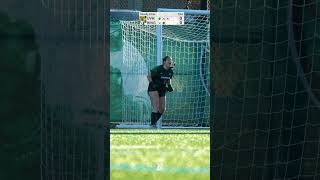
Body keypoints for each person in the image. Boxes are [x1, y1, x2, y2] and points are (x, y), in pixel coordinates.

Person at [147, 56, 174, 127]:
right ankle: (153, 125)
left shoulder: (171, 71)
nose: (170, 61)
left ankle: (153, 122)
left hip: (162, 89)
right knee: (156, 107)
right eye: (168, 60)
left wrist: (170, 86)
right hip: (154, 88)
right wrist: (152, 84)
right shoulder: (158, 69)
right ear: (164, 62)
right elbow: (149, 76)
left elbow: (168, 79)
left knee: (162, 109)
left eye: (171, 60)